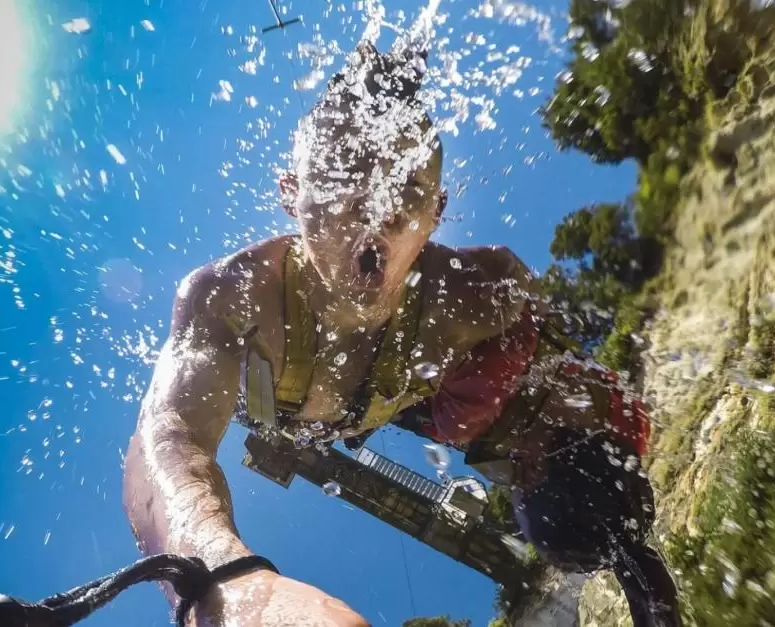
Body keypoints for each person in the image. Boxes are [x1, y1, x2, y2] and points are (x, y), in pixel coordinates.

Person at [122, 41, 681, 627]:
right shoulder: (230, 299)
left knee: (583, 509)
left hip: (406, 399)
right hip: (292, 410)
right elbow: (165, 441)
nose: (379, 210)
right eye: (346, 176)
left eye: (406, 187)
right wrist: (223, 578)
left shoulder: (477, 292)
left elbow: (562, 351)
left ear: (436, 212)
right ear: (292, 194)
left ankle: (640, 574)